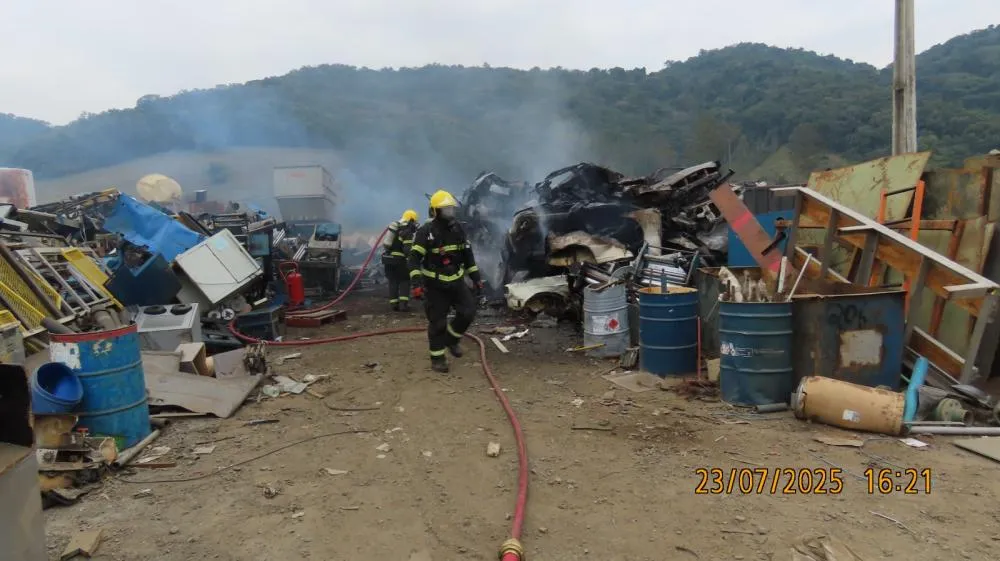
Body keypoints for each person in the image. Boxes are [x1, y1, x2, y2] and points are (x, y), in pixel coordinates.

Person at [408, 190, 484, 373]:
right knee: (438, 323)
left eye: (451, 209)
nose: (450, 213)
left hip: (457, 282)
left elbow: (468, 257)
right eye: (445, 210)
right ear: (434, 211)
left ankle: (452, 339)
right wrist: (417, 284)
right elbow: (413, 259)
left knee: (468, 312)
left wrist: (476, 279)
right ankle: (438, 358)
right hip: (435, 286)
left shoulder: (458, 229)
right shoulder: (425, 232)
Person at [381, 209, 419, 311]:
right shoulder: (407, 231)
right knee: (404, 281)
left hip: (388, 260)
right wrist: (412, 258)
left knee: (393, 282)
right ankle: (403, 305)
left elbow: (387, 245)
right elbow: (407, 249)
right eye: (414, 221)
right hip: (400, 261)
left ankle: (394, 305)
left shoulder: (395, 227)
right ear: (411, 220)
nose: (415, 224)